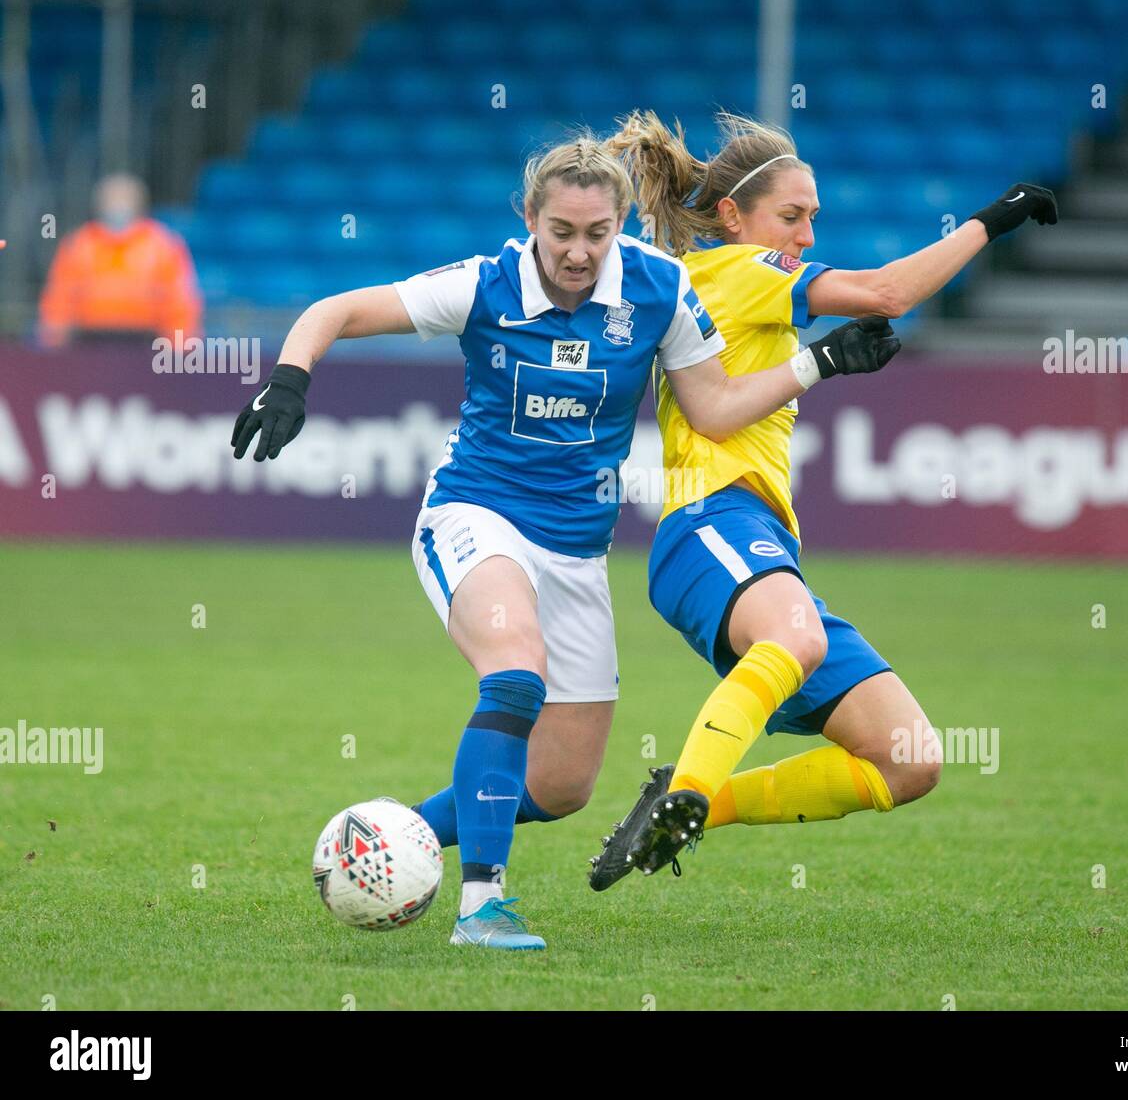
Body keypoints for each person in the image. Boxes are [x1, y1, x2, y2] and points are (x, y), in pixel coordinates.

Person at [230, 132, 898, 949]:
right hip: (476, 515)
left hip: (578, 550)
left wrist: (818, 362)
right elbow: (335, 310)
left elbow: (716, 408)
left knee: (559, 783)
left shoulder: (659, 289)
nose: (578, 253)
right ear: (530, 219)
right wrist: (290, 378)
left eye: (597, 234)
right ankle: (483, 907)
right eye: (561, 233)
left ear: (620, 223)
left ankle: (389, 837)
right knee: (515, 674)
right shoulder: (486, 283)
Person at [588, 110, 1058, 888]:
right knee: (798, 637)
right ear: (733, 216)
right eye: (792, 216)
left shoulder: (730, 284)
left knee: (909, 760)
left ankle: (682, 805)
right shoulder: (735, 270)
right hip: (710, 521)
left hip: (758, 542)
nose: (806, 235)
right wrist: (993, 219)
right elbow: (885, 291)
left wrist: (820, 358)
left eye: (814, 218)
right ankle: (690, 791)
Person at [37, 173, 202, 348]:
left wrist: (179, 348)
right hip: (87, 343)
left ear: (139, 204)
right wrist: (54, 343)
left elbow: (180, 303)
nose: (118, 205)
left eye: (124, 199)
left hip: (147, 344)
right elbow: (58, 300)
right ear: (99, 205)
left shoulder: (163, 245)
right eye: (111, 200)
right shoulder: (77, 245)